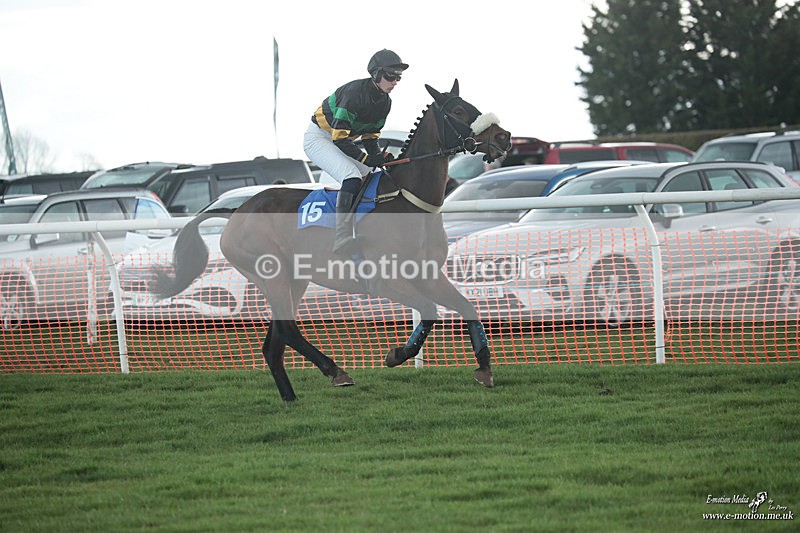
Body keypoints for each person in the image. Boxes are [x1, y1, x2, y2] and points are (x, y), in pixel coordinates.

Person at [303, 49, 409, 254]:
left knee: (369, 176)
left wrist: (377, 156)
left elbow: (370, 137)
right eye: (390, 76)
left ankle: (362, 226)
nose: (395, 81)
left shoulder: (385, 102)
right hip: (320, 138)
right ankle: (341, 235)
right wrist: (366, 158)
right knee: (351, 176)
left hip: (341, 140)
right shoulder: (353, 94)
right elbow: (339, 138)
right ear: (376, 74)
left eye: (398, 77)